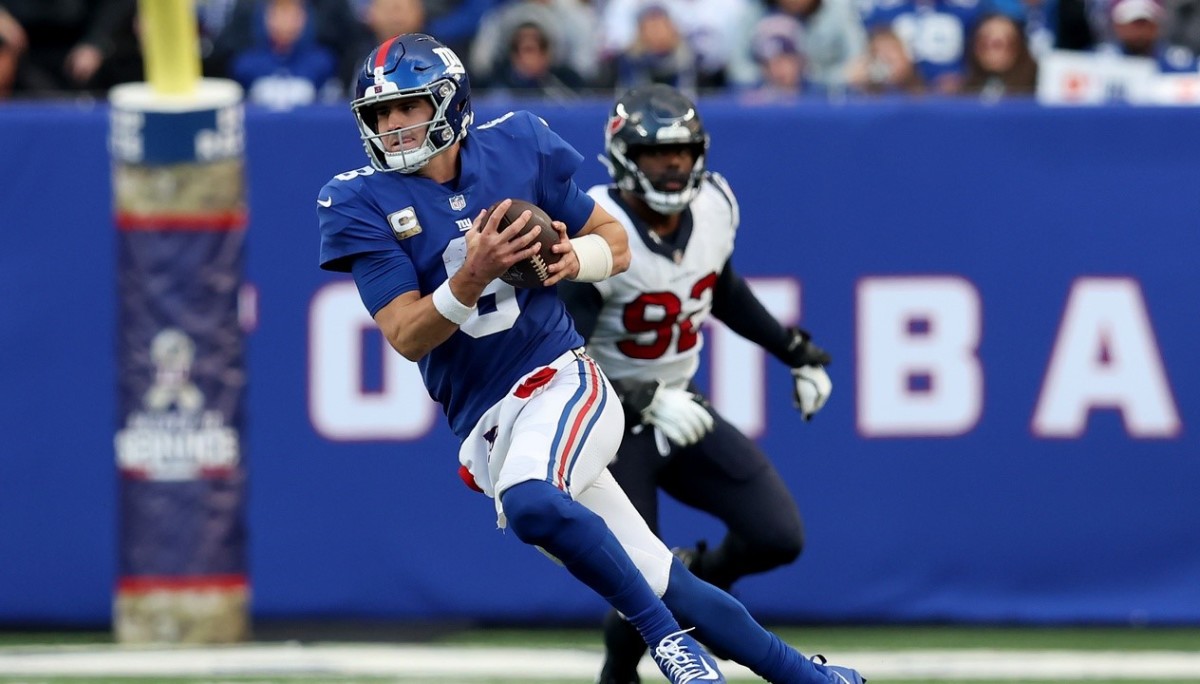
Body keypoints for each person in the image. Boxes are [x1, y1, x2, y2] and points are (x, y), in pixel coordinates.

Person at [316, 32, 866, 684]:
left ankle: (669, 646)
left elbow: (612, 240)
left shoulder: (517, 144)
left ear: (448, 101)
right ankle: (818, 679)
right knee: (666, 579)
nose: (391, 126)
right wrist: (473, 275)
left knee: (530, 503)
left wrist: (574, 258)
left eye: (404, 108)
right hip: (488, 421)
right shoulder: (359, 200)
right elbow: (407, 334)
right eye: (378, 115)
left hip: (563, 379)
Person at [557, 83, 836, 684]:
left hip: (680, 406)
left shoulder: (714, 206)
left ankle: (696, 576)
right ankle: (618, 674)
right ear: (624, 155)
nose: (675, 164)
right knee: (639, 578)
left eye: (683, 151)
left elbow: (720, 287)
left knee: (776, 535)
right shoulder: (597, 227)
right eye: (659, 153)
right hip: (609, 421)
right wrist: (639, 397)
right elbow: (561, 353)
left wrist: (793, 350)